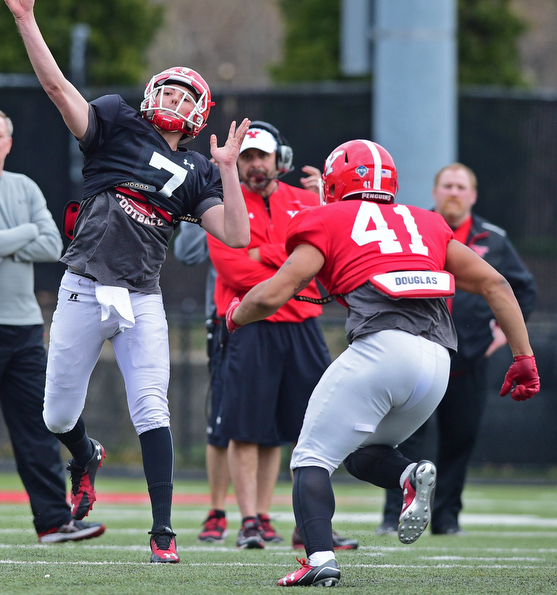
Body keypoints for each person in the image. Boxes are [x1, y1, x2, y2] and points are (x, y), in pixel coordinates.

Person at [0, 0, 251, 563]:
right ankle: (84, 454)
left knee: (151, 405)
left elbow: (236, 236)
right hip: (84, 284)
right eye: (170, 90)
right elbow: (60, 90)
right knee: (56, 411)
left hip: (140, 295)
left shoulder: (198, 171)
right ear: (150, 93)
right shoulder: (117, 122)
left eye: (188, 99)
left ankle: (162, 533)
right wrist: (26, 21)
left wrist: (232, 169)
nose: (175, 100)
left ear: (198, 115)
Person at [225, 139, 539, 586]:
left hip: (383, 350)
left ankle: (319, 559)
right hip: (437, 364)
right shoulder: (426, 221)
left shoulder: (328, 216)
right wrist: (523, 357)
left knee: (311, 458)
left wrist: (238, 314)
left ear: (334, 184)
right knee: (362, 453)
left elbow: (273, 293)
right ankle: (410, 474)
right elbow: (497, 286)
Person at [174, 150, 352, 549]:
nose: (255, 164)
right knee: (244, 428)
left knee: (312, 428)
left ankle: (308, 524)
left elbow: (329, 256)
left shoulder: (307, 200)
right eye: (247, 156)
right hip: (250, 325)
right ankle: (250, 521)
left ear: (280, 159)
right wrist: (290, 263)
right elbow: (235, 268)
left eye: (262, 156)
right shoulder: (222, 202)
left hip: (301, 326)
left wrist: (269, 254)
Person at [0, 107, 105, 544]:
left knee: (39, 427)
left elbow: (52, 243)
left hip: (24, 328)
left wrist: (4, 239)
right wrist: (20, 234)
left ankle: (53, 522)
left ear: (8, 143)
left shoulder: (24, 187)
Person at [374, 162, 537, 537]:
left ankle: (446, 519)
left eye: (461, 186)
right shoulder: (412, 230)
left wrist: (501, 335)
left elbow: (523, 290)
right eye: (447, 185)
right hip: (416, 356)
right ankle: (390, 516)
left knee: (459, 439)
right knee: (401, 439)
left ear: (473, 195)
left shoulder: (494, 239)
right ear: (435, 192)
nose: (453, 192)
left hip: (468, 361)